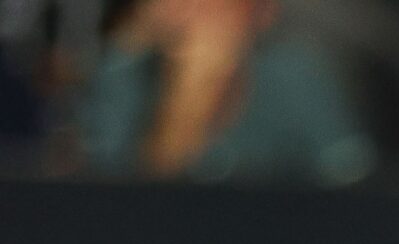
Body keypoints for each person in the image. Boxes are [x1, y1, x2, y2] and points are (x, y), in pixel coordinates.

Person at [78, 0, 373, 183]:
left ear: (261, 11)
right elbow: (121, 210)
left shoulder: (296, 75)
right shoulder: (123, 73)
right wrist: (186, 101)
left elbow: (350, 181)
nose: (188, 13)